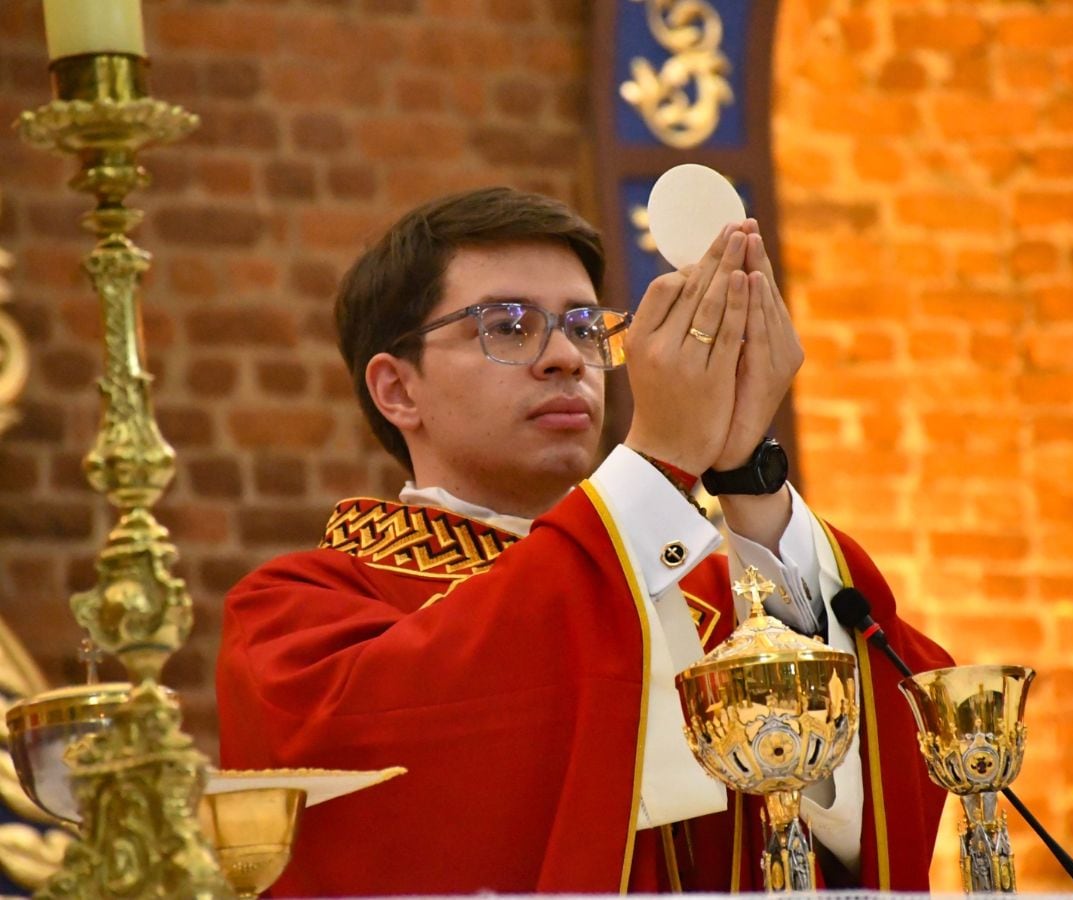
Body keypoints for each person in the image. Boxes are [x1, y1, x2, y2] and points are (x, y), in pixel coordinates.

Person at [216, 187, 953, 896]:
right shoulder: (296, 615)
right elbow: (407, 791)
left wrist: (749, 484)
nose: (565, 358)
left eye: (583, 327)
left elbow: (879, 794)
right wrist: (656, 466)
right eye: (507, 326)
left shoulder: (700, 594)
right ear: (397, 390)